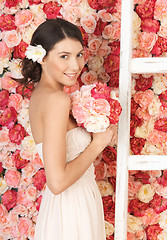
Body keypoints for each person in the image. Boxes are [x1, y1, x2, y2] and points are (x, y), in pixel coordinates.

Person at [19, 18, 116, 240]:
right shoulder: (56, 100)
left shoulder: (44, 96)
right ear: (41, 57)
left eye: (79, 54)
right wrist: (97, 144)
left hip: (74, 204)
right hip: (71, 209)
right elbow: (57, 182)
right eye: (64, 56)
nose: (75, 66)